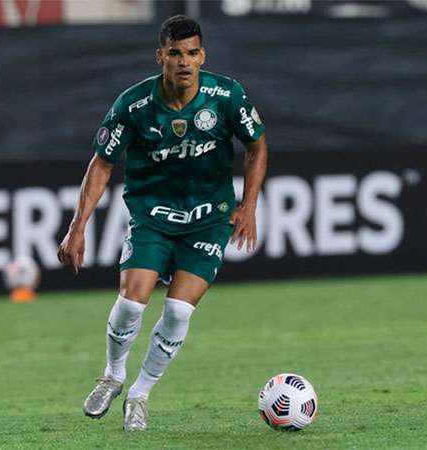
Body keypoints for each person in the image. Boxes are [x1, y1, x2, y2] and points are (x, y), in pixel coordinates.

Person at [57, 14, 267, 432]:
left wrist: (249, 204)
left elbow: (257, 147)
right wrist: (77, 225)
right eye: (175, 53)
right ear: (161, 57)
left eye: (192, 53)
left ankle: (139, 394)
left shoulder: (226, 96)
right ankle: (113, 375)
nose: (185, 61)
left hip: (208, 220)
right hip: (153, 216)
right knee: (133, 299)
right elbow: (101, 165)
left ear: (202, 55)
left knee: (177, 312)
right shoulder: (132, 106)